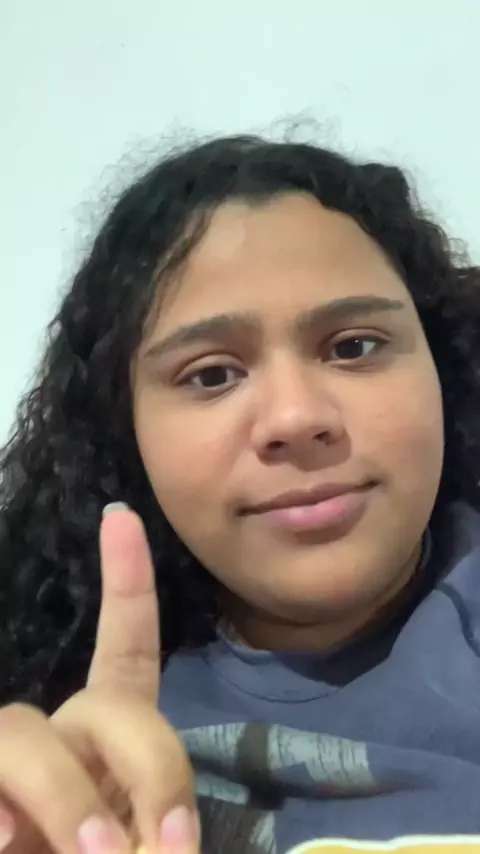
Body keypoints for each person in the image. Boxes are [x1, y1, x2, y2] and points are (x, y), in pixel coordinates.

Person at [1, 134, 480, 854]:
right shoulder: (65, 749)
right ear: (125, 432)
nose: (296, 418)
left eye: (353, 346)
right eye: (212, 375)